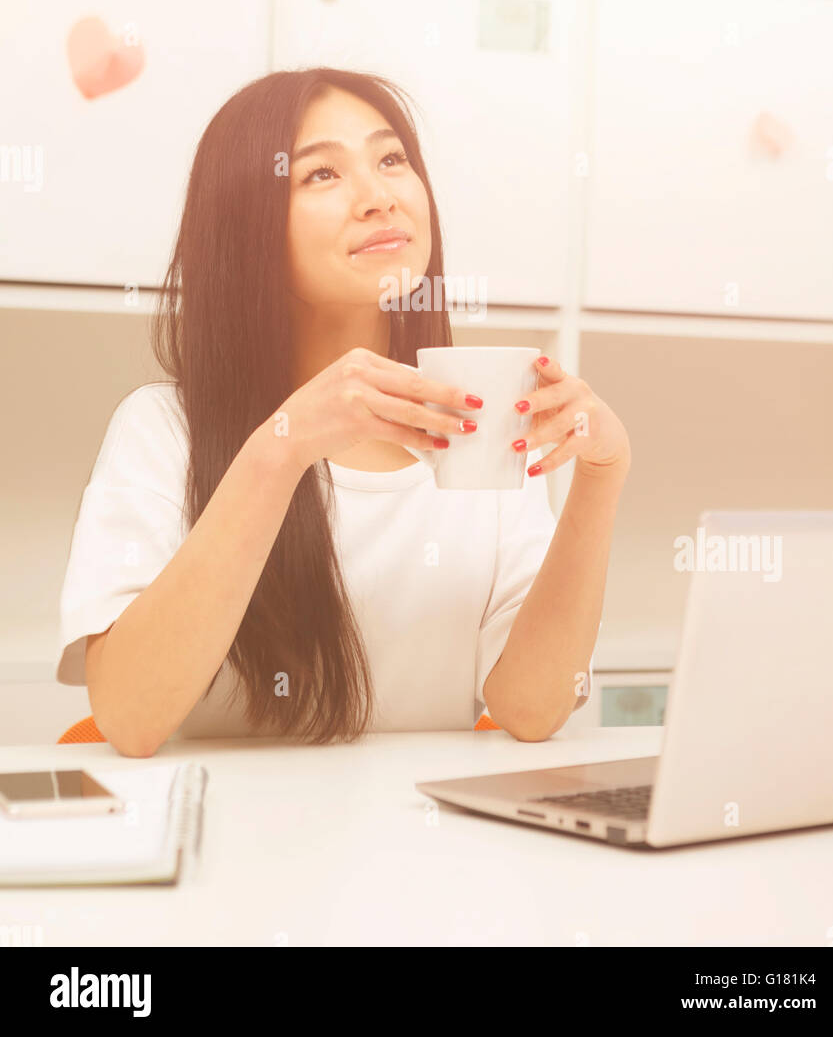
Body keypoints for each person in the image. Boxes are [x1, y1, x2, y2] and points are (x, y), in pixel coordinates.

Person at [55, 68, 630, 755]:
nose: (378, 197)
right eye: (321, 176)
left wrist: (601, 478)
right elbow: (128, 715)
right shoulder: (162, 432)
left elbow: (531, 709)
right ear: (246, 226)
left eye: (392, 160)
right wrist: (283, 446)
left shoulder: (482, 424)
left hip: (436, 851)